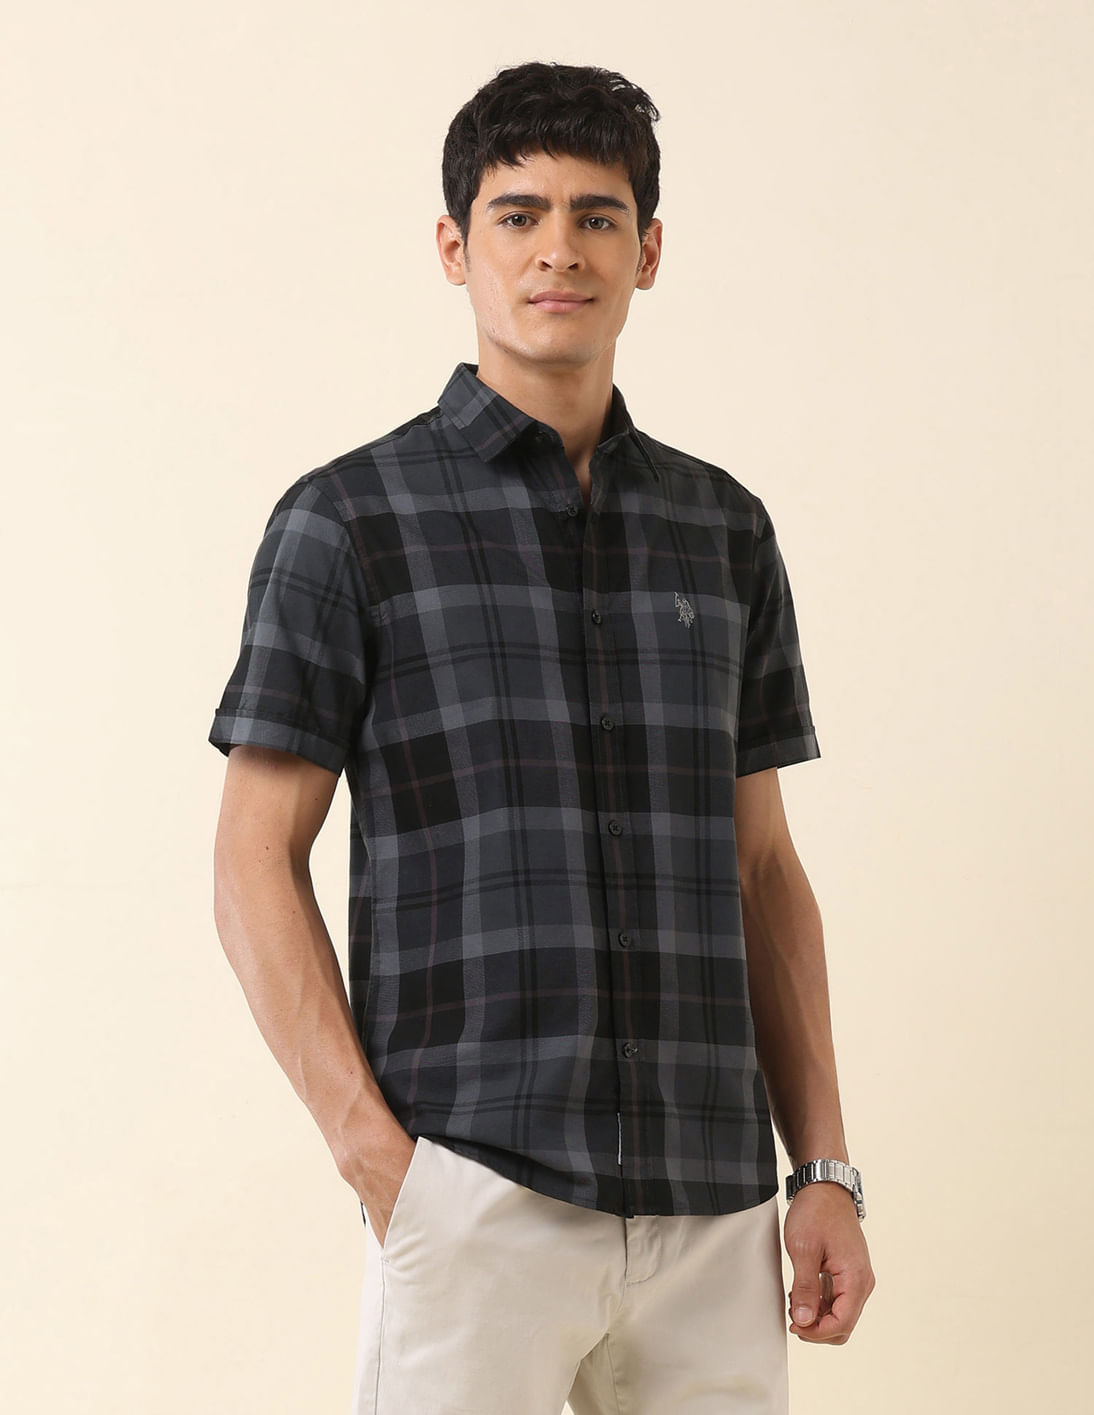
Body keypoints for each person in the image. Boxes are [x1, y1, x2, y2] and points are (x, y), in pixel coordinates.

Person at [209, 59, 874, 1415]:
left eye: (595, 215)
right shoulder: (350, 522)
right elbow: (251, 859)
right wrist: (380, 1163)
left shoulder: (723, 530)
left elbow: (762, 871)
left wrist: (821, 1170)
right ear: (455, 247)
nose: (557, 250)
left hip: (711, 1210)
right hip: (476, 1190)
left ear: (648, 252)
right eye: (517, 216)